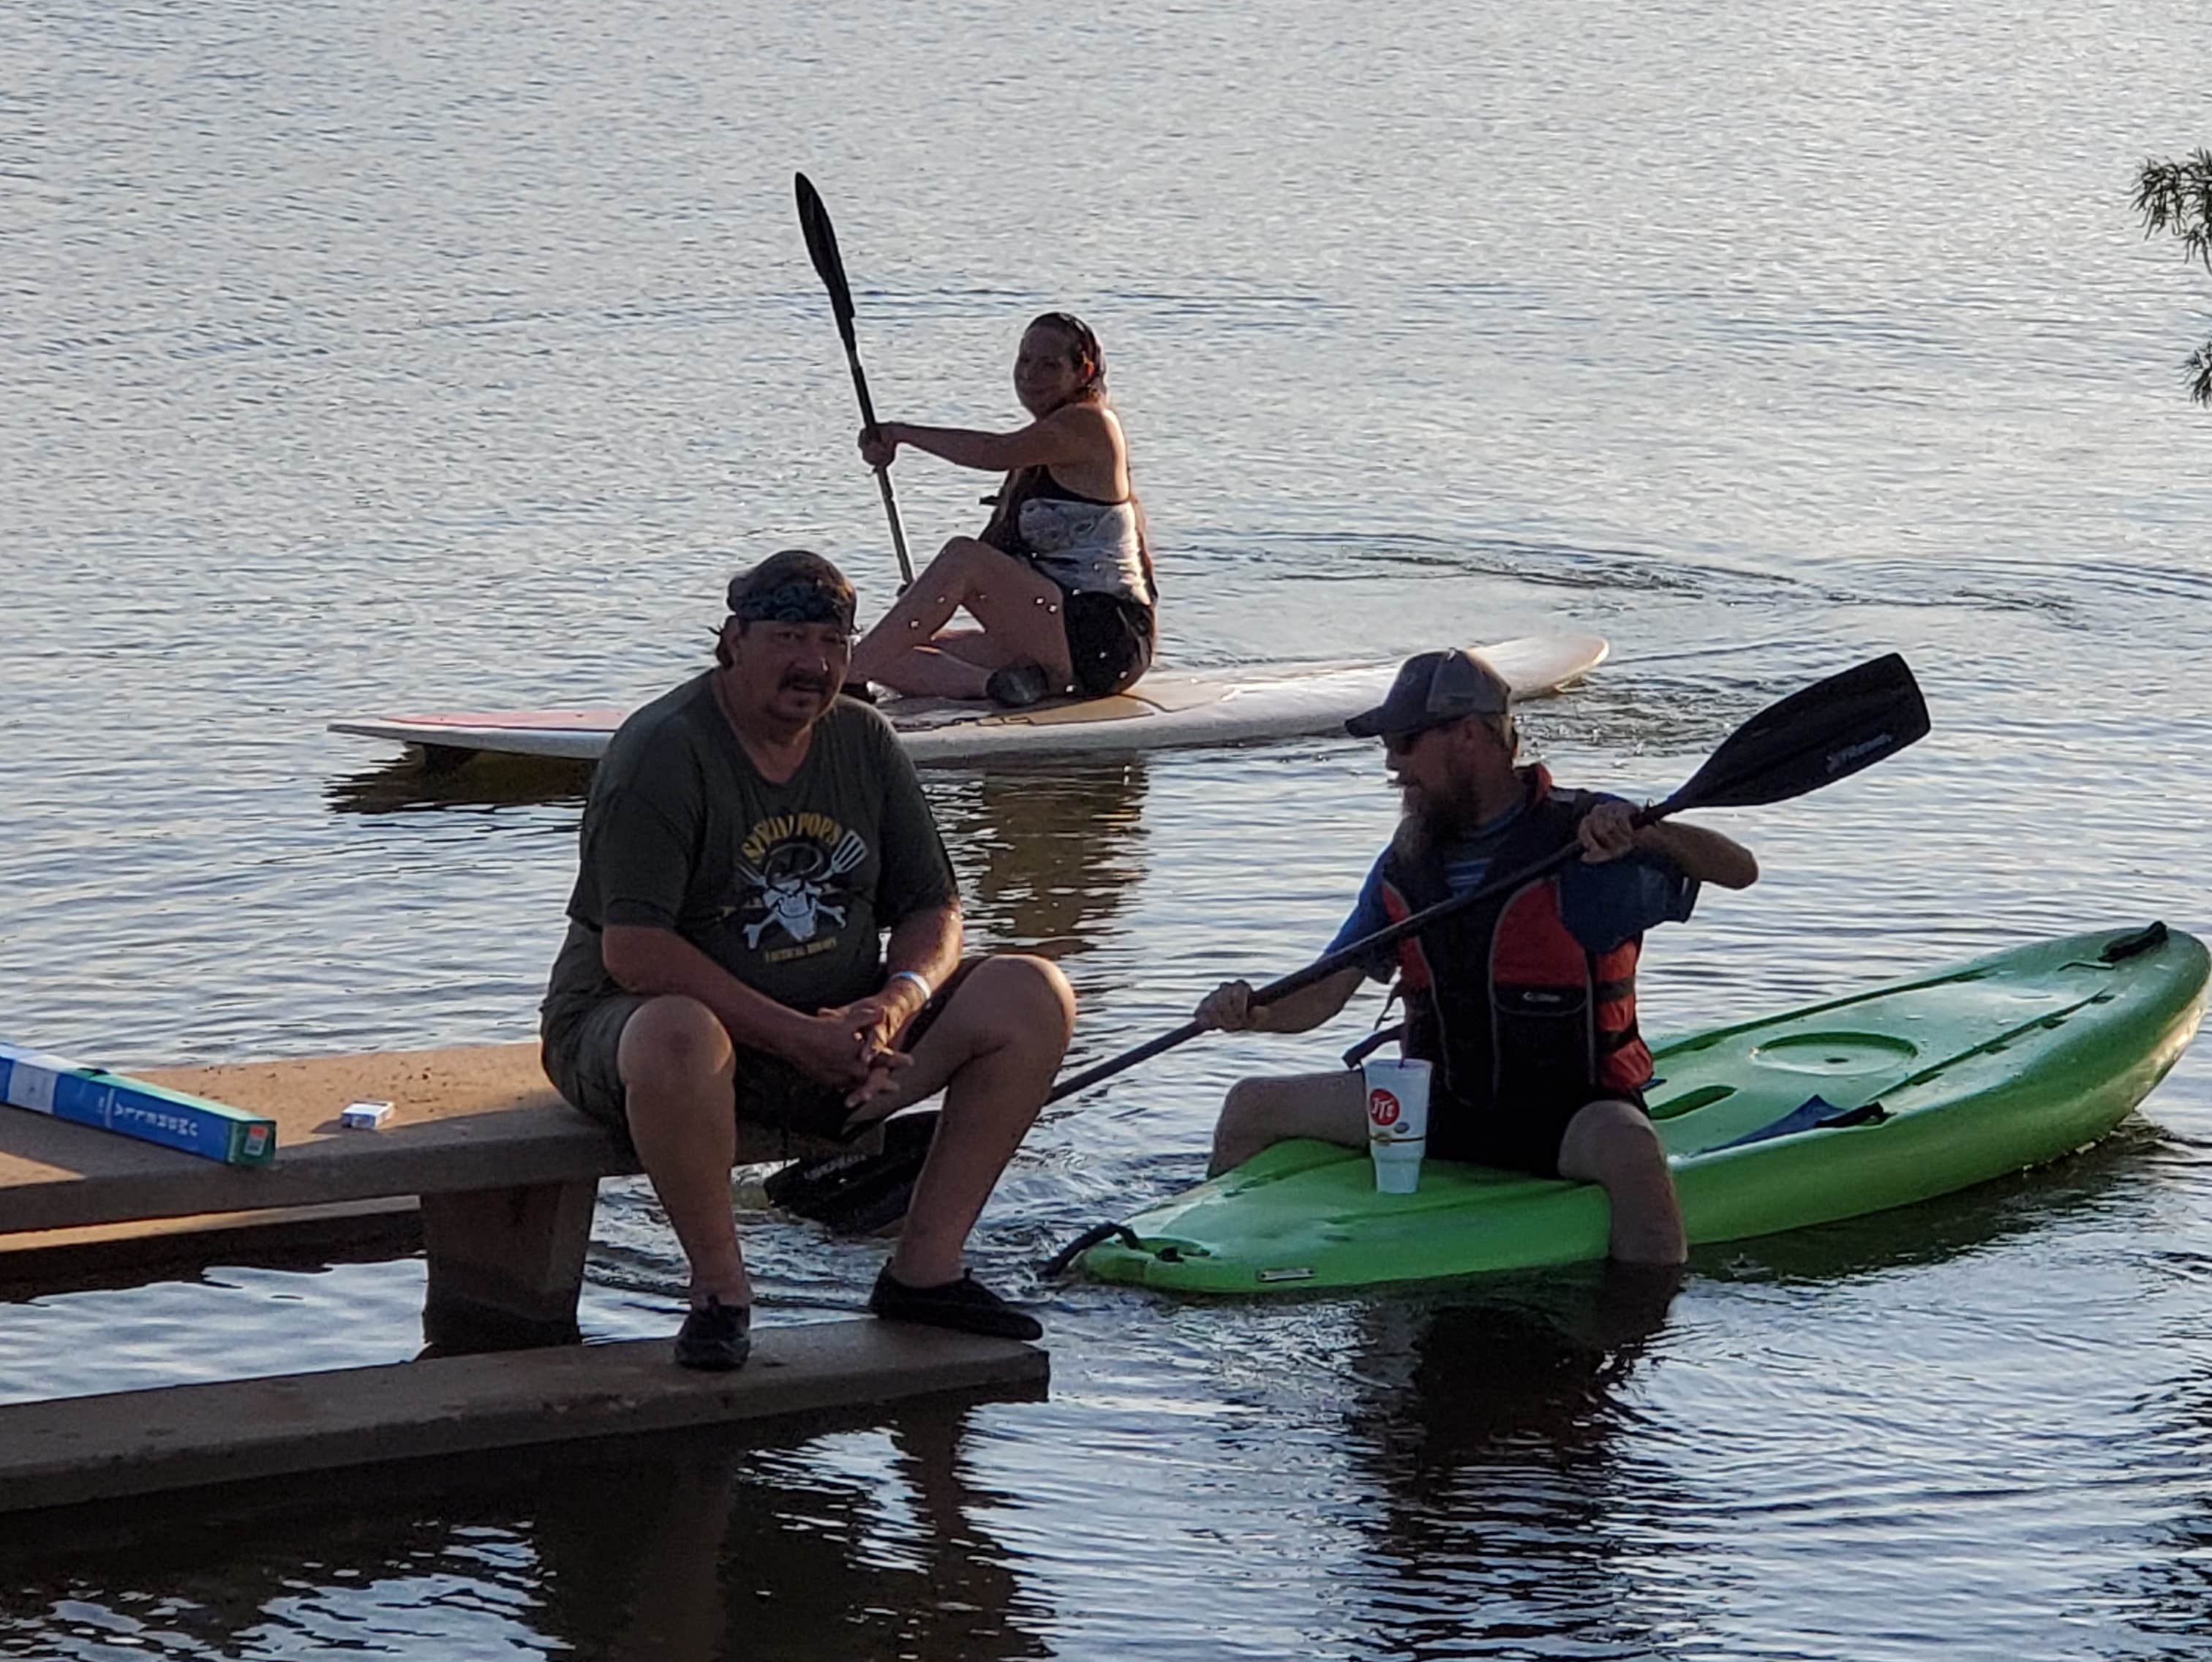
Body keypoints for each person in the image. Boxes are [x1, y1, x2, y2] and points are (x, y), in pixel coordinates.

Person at [541, 549, 1075, 1369]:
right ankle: (721, 1293)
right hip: (646, 1034)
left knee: (1032, 992)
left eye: (831, 643)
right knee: (680, 1034)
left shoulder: (864, 739)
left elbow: (935, 909)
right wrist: (798, 1037)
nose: (813, 665)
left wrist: (892, 1005)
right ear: (735, 640)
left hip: (839, 1034)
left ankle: (926, 1271)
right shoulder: (663, 751)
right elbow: (637, 952)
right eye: (789, 638)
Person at [1192, 648, 1758, 1265]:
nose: (1391, 762)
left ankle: (1633, 1330)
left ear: (1469, 735)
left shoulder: (1588, 840)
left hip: (1566, 1115)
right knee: (1250, 1105)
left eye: (1405, 741)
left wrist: (1651, 833)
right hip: (1435, 1106)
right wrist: (1253, 1010)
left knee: (1634, 1154)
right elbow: (1325, 993)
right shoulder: (1407, 862)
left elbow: (1740, 871)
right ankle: (1206, 1251)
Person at [848, 311, 1156, 710]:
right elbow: (994, 560)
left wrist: (899, 434)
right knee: (893, 651)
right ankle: (1000, 685)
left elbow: (992, 452)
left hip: (1103, 637)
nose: (1031, 375)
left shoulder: (1092, 424)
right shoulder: (1034, 454)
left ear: (1084, 372)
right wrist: (924, 600)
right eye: (1024, 361)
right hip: (1053, 628)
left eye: (1050, 365)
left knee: (960, 556)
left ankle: (845, 680)